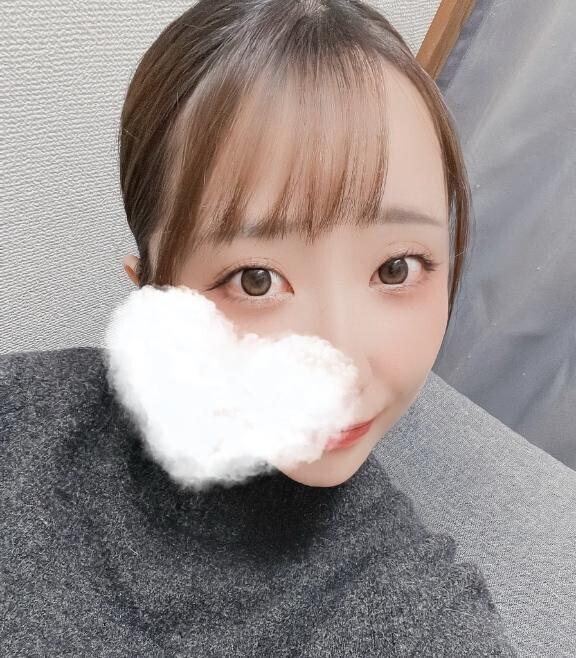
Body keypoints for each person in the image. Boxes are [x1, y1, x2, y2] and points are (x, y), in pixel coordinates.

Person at [1, 1, 518, 655]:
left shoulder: (420, 616)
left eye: (396, 268)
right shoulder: (20, 415)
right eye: (256, 281)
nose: (343, 367)